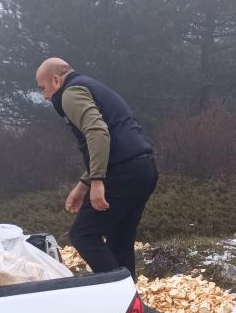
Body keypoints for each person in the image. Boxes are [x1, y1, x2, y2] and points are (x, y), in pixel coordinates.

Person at [35, 57, 157, 278]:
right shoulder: (90, 85)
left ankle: (117, 292)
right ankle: (128, 304)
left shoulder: (70, 93)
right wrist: (83, 186)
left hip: (122, 172)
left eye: (43, 88)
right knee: (120, 241)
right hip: (143, 168)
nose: (45, 96)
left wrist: (98, 181)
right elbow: (108, 137)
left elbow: (98, 132)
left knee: (83, 235)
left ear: (56, 80)